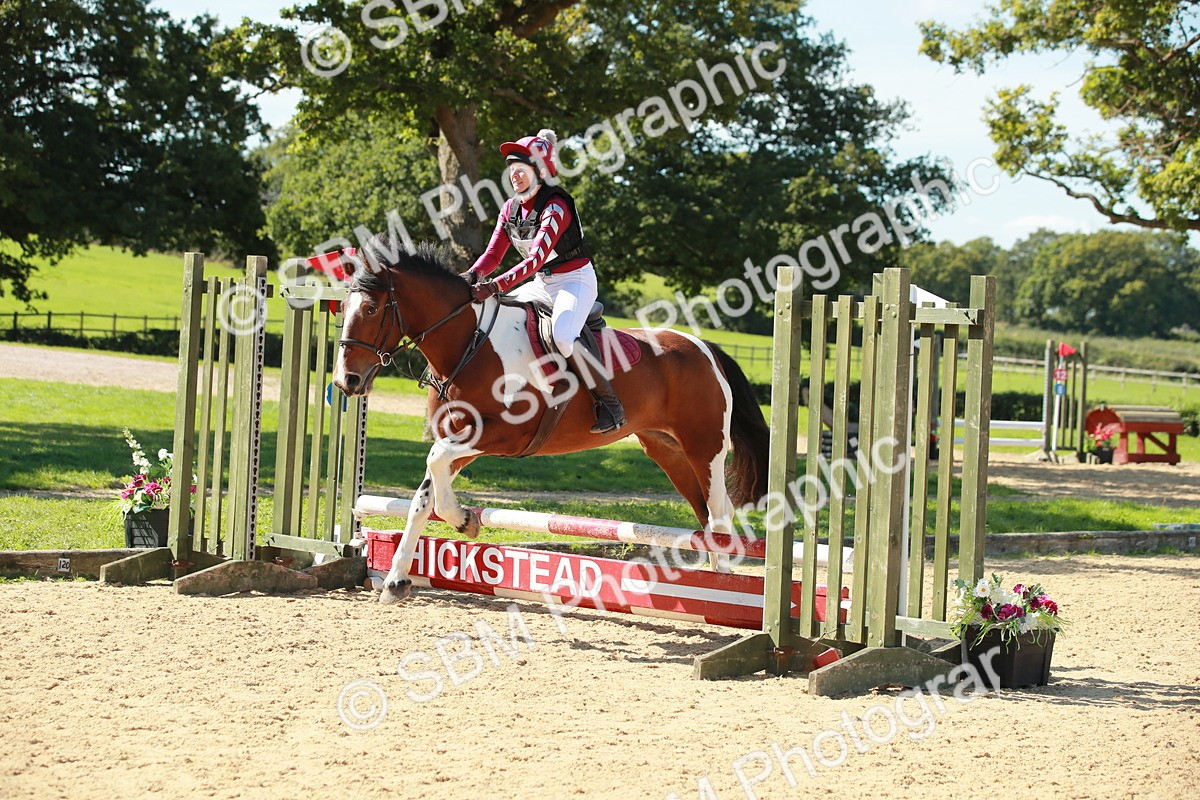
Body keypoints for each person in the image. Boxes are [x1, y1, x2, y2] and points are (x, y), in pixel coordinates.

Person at [465, 129, 626, 434]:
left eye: (521, 169)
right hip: (542, 282)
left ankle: (610, 405)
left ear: (540, 171)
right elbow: (493, 255)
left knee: (563, 335)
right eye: (512, 169)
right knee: (498, 317)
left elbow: (535, 259)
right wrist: (471, 277)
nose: (515, 175)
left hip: (574, 281)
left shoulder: (555, 207)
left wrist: (494, 286)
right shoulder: (509, 209)